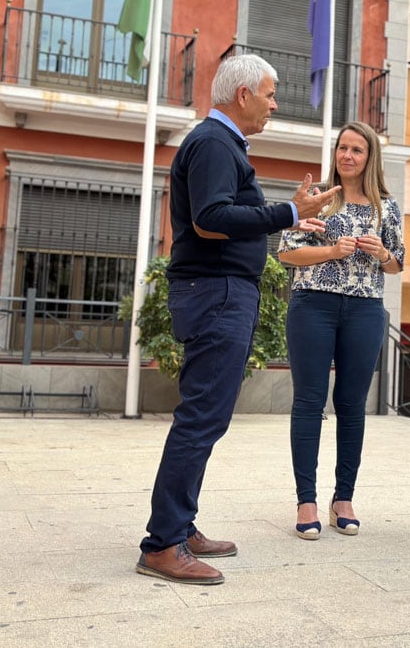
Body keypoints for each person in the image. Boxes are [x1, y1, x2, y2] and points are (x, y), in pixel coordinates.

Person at [136, 53, 340, 586]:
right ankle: (162, 544)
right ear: (243, 94)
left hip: (222, 293)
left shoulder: (220, 145)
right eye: (270, 94)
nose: (275, 104)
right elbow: (210, 221)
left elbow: (224, 213)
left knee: (207, 416)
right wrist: (291, 213)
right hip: (216, 294)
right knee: (202, 417)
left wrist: (289, 210)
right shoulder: (213, 143)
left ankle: (180, 526)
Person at [278, 121, 405, 540]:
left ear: (370, 158)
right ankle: (306, 501)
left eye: (356, 150)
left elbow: (397, 263)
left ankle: (343, 498)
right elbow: (287, 254)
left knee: (352, 404)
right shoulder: (316, 201)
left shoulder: (385, 207)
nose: (347, 156)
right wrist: (332, 251)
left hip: (366, 309)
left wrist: (382, 252)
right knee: (309, 401)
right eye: (342, 148)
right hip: (313, 304)